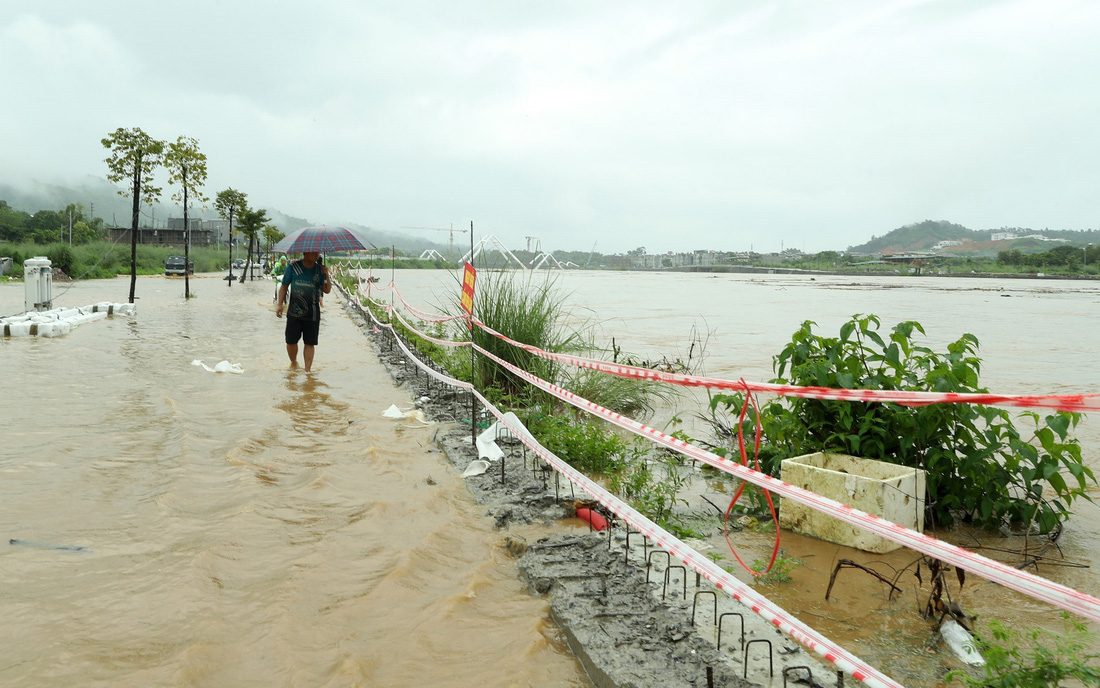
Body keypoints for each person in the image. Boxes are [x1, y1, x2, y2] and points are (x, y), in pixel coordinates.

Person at [275, 252, 331, 372]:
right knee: (291, 341)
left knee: (310, 342)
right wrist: (280, 305)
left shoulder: (319, 270)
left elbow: (326, 290)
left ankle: (307, 371)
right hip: (294, 312)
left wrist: (326, 274)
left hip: (313, 313)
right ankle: (294, 362)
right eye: (313, 252)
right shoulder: (293, 268)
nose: (316, 255)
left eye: (318, 252)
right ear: (305, 252)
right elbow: (284, 286)